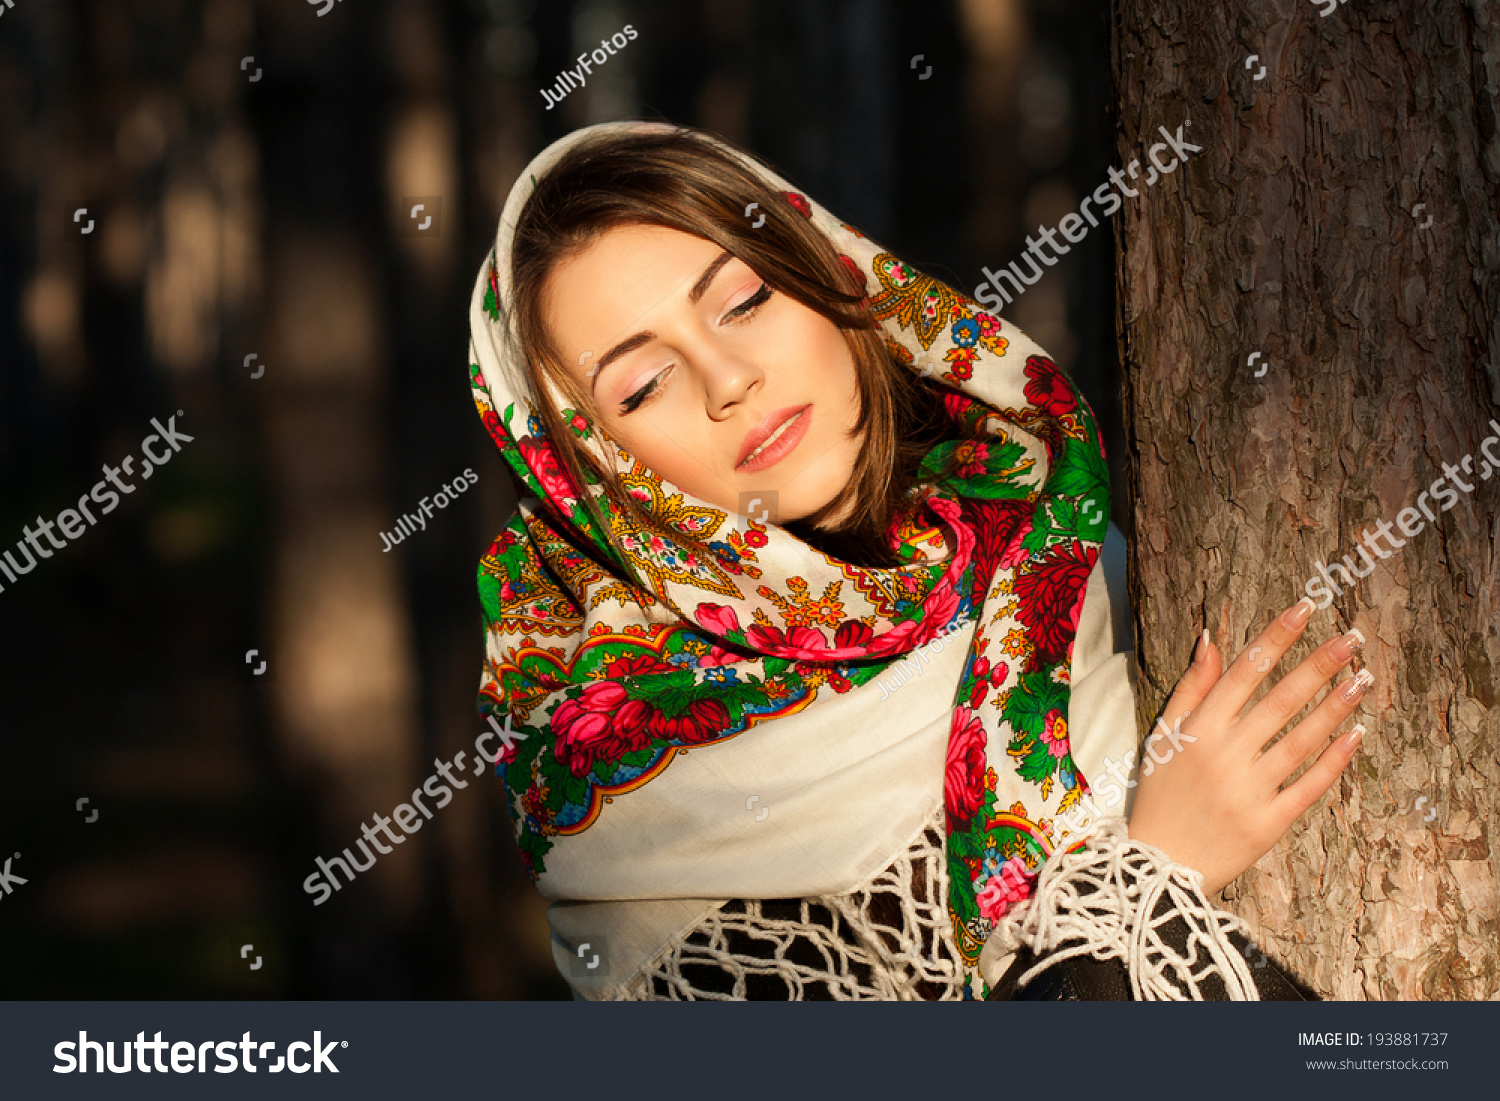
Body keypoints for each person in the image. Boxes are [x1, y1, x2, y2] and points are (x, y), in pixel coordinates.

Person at [465, 120, 1371, 1000]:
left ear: (825, 270)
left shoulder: (1034, 507)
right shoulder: (621, 792)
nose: (728, 378)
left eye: (743, 300)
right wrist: (1156, 876)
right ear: (595, 473)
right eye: (642, 384)